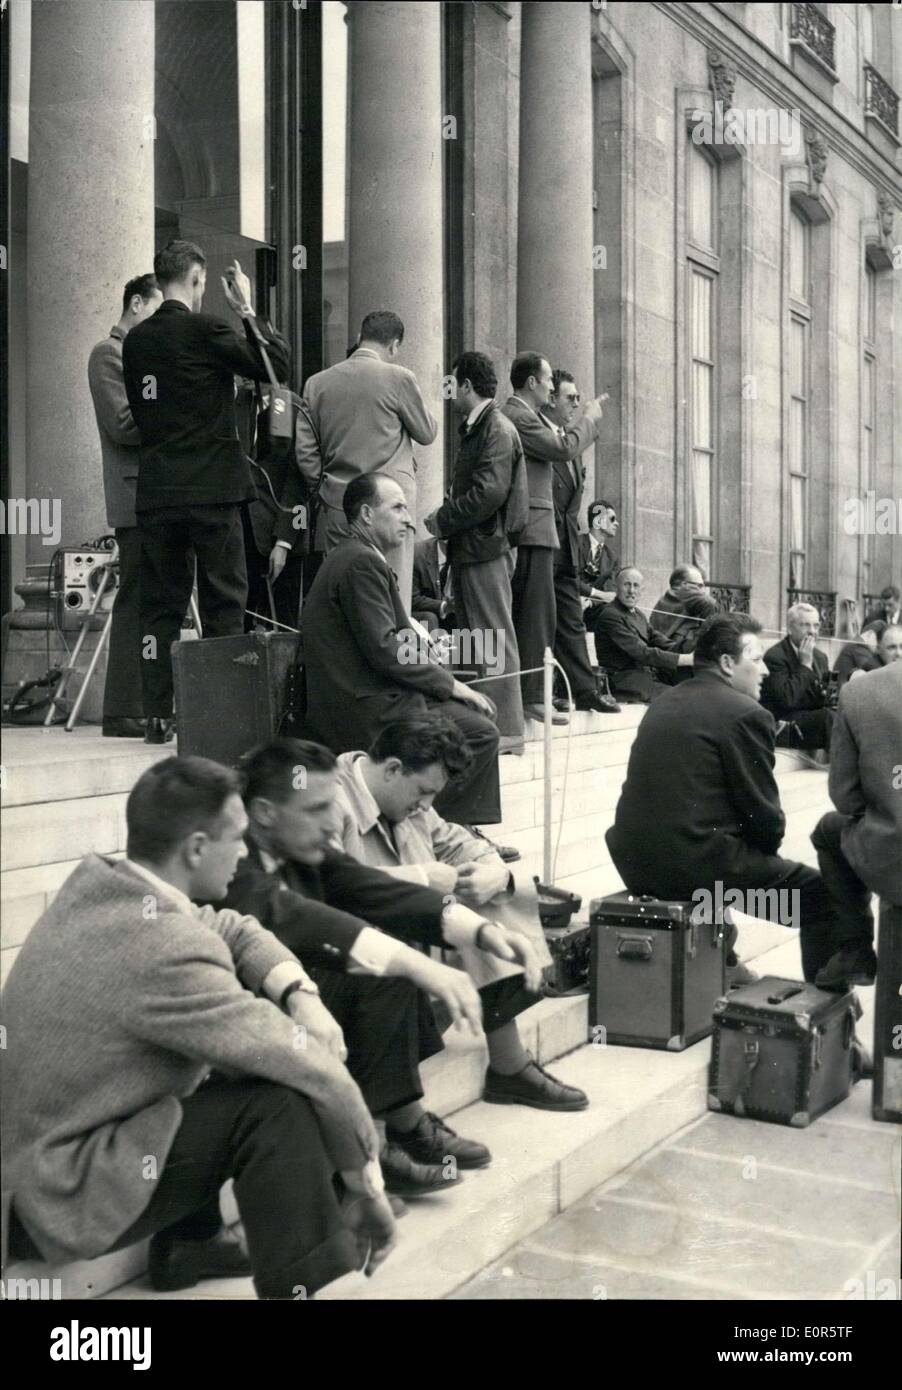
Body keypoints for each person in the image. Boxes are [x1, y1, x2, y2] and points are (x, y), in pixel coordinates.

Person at [1, 756, 396, 1299]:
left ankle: (193, 1241)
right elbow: (316, 1071)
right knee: (280, 1103)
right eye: (236, 838)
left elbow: (232, 926)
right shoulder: (167, 952)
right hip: (59, 1192)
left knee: (230, 1061)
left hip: (39, 1155)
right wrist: (365, 1187)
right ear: (195, 848)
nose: (243, 852)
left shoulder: (105, 888)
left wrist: (301, 994)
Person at [226, 739, 529, 1190]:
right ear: (266, 812)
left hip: (283, 998)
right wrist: (416, 963)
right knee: (388, 967)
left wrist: (481, 932)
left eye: (333, 804)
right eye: (317, 808)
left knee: (385, 976)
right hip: (228, 1025)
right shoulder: (228, 856)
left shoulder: (298, 845)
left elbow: (375, 890)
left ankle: (392, 1136)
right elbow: (300, 919)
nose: (333, 822)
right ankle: (377, 1146)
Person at [331, 717, 589, 1113]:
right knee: (453, 907)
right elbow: (320, 886)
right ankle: (403, 1116)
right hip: (350, 948)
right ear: (394, 769)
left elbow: (458, 843)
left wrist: (494, 874)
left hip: (406, 936)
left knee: (490, 892)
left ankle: (508, 1065)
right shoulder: (327, 799)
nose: (426, 806)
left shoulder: (406, 798)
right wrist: (418, 877)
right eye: (423, 792)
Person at [605, 613, 845, 987]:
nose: (764, 671)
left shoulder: (663, 702)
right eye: (757, 659)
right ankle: (823, 1011)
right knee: (824, 897)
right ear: (728, 663)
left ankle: (725, 961)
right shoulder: (747, 714)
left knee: (718, 853)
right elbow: (766, 822)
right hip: (699, 874)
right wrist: (756, 860)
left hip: (634, 861)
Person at [122, 241, 289, 743]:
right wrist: (248, 309)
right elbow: (276, 366)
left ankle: (158, 712)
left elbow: (145, 406)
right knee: (223, 602)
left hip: (158, 493)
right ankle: (218, 712)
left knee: (160, 609)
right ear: (197, 280)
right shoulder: (208, 329)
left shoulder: (135, 342)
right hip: (213, 489)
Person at [300, 473, 502, 828]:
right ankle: (442, 833)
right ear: (365, 515)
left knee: (476, 716)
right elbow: (385, 648)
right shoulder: (361, 562)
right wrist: (450, 684)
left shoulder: (353, 556)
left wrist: (431, 658)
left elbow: (388, 641)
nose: (409, 518)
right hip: (365, 708)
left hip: (368, 695)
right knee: (480, 732)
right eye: (397, 508)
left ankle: (449, 828)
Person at [290, 309, 437, 608]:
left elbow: (305, 452)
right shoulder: (399, 378)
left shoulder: (317, 383)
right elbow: (427, 432)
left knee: (345, 598)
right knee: (392, 599)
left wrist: (324, 488)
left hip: (338, 505)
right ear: (394, 345)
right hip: (390, 507)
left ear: (359, 338)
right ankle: (388, 653)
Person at [424, 350, 526, 752]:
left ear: (466, 386)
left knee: (491, 637)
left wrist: (443, 519)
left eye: (452, 385)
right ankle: (490, 727)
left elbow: (488, 492)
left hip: (485, 549)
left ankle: (508, 731)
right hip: (479, 548)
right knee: (476, 637)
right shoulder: (487, 427)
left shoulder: (494, 429)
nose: (449, 393)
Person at [502, 353, 604, 724]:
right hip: (530, 530)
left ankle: (532, 696)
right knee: (534, 616)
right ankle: (530, 697)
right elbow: (562, 449)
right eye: (547, 381)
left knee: (539, 616)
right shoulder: (520, 415)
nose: (550, 386)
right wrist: (589, 419)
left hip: (537, 532)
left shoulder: (523, 416)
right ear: (531, 382)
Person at [87, 273, 162, 738]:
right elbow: (122, 423)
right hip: (135, 494)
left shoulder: (134, 355)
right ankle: (122, 710)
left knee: (150, 599)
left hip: (153, 492)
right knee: (136, 600)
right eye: (154, 312)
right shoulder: (108, 353)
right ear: (136, 305)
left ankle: (142, 706)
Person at [810, 660, 902, 989]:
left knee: (827, 831)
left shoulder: (860, 691)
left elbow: (845, 797)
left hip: (892, 858)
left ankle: (856, 949)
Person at [547, 370, 619, 714]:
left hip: (564, 549)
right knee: (537, 620)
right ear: (551, 398)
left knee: (571, 619)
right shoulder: (548, 438)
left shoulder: (570, 443)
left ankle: (585, 690)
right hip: (540, 544)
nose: (577, 402)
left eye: (578, 397)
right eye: (569, 397)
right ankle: (538, 692)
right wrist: (590, 420)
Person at [593, 567, 693, 702]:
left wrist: (692, 650)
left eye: (636, 586)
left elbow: (660, 640)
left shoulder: (637, 614)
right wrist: (684, 659)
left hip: (642, 676)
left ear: (642, 590)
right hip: (622, 680)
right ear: (616, 588)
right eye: (626, 584)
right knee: (681, 697)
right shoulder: (610, 615)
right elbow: (642, 652)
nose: (631, 591)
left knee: (691, 684)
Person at [760, 602, 833, 756]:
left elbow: (821, 698)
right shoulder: (775, 656)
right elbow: (787, 699)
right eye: (805, 625)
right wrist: (805, 665)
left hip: (810, 720)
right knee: (828, 717)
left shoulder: (820, 657)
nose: (812, 631)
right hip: (784, 723)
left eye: (816, 626)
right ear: (791, 628)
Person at [579, 499, 620, 638]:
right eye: (612, 519)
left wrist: (590, 602)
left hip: (593, 609)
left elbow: (610, 593)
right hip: (568, 602)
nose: (617, 523)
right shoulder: (575, 544)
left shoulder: (612, 557)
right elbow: (567, 578)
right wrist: (589, 594)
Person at [411, 536, 456, 633]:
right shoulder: (418, 553)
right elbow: (412, 599)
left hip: (454, 620)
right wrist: (444, 606)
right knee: (429, 618)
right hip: (427, 617)